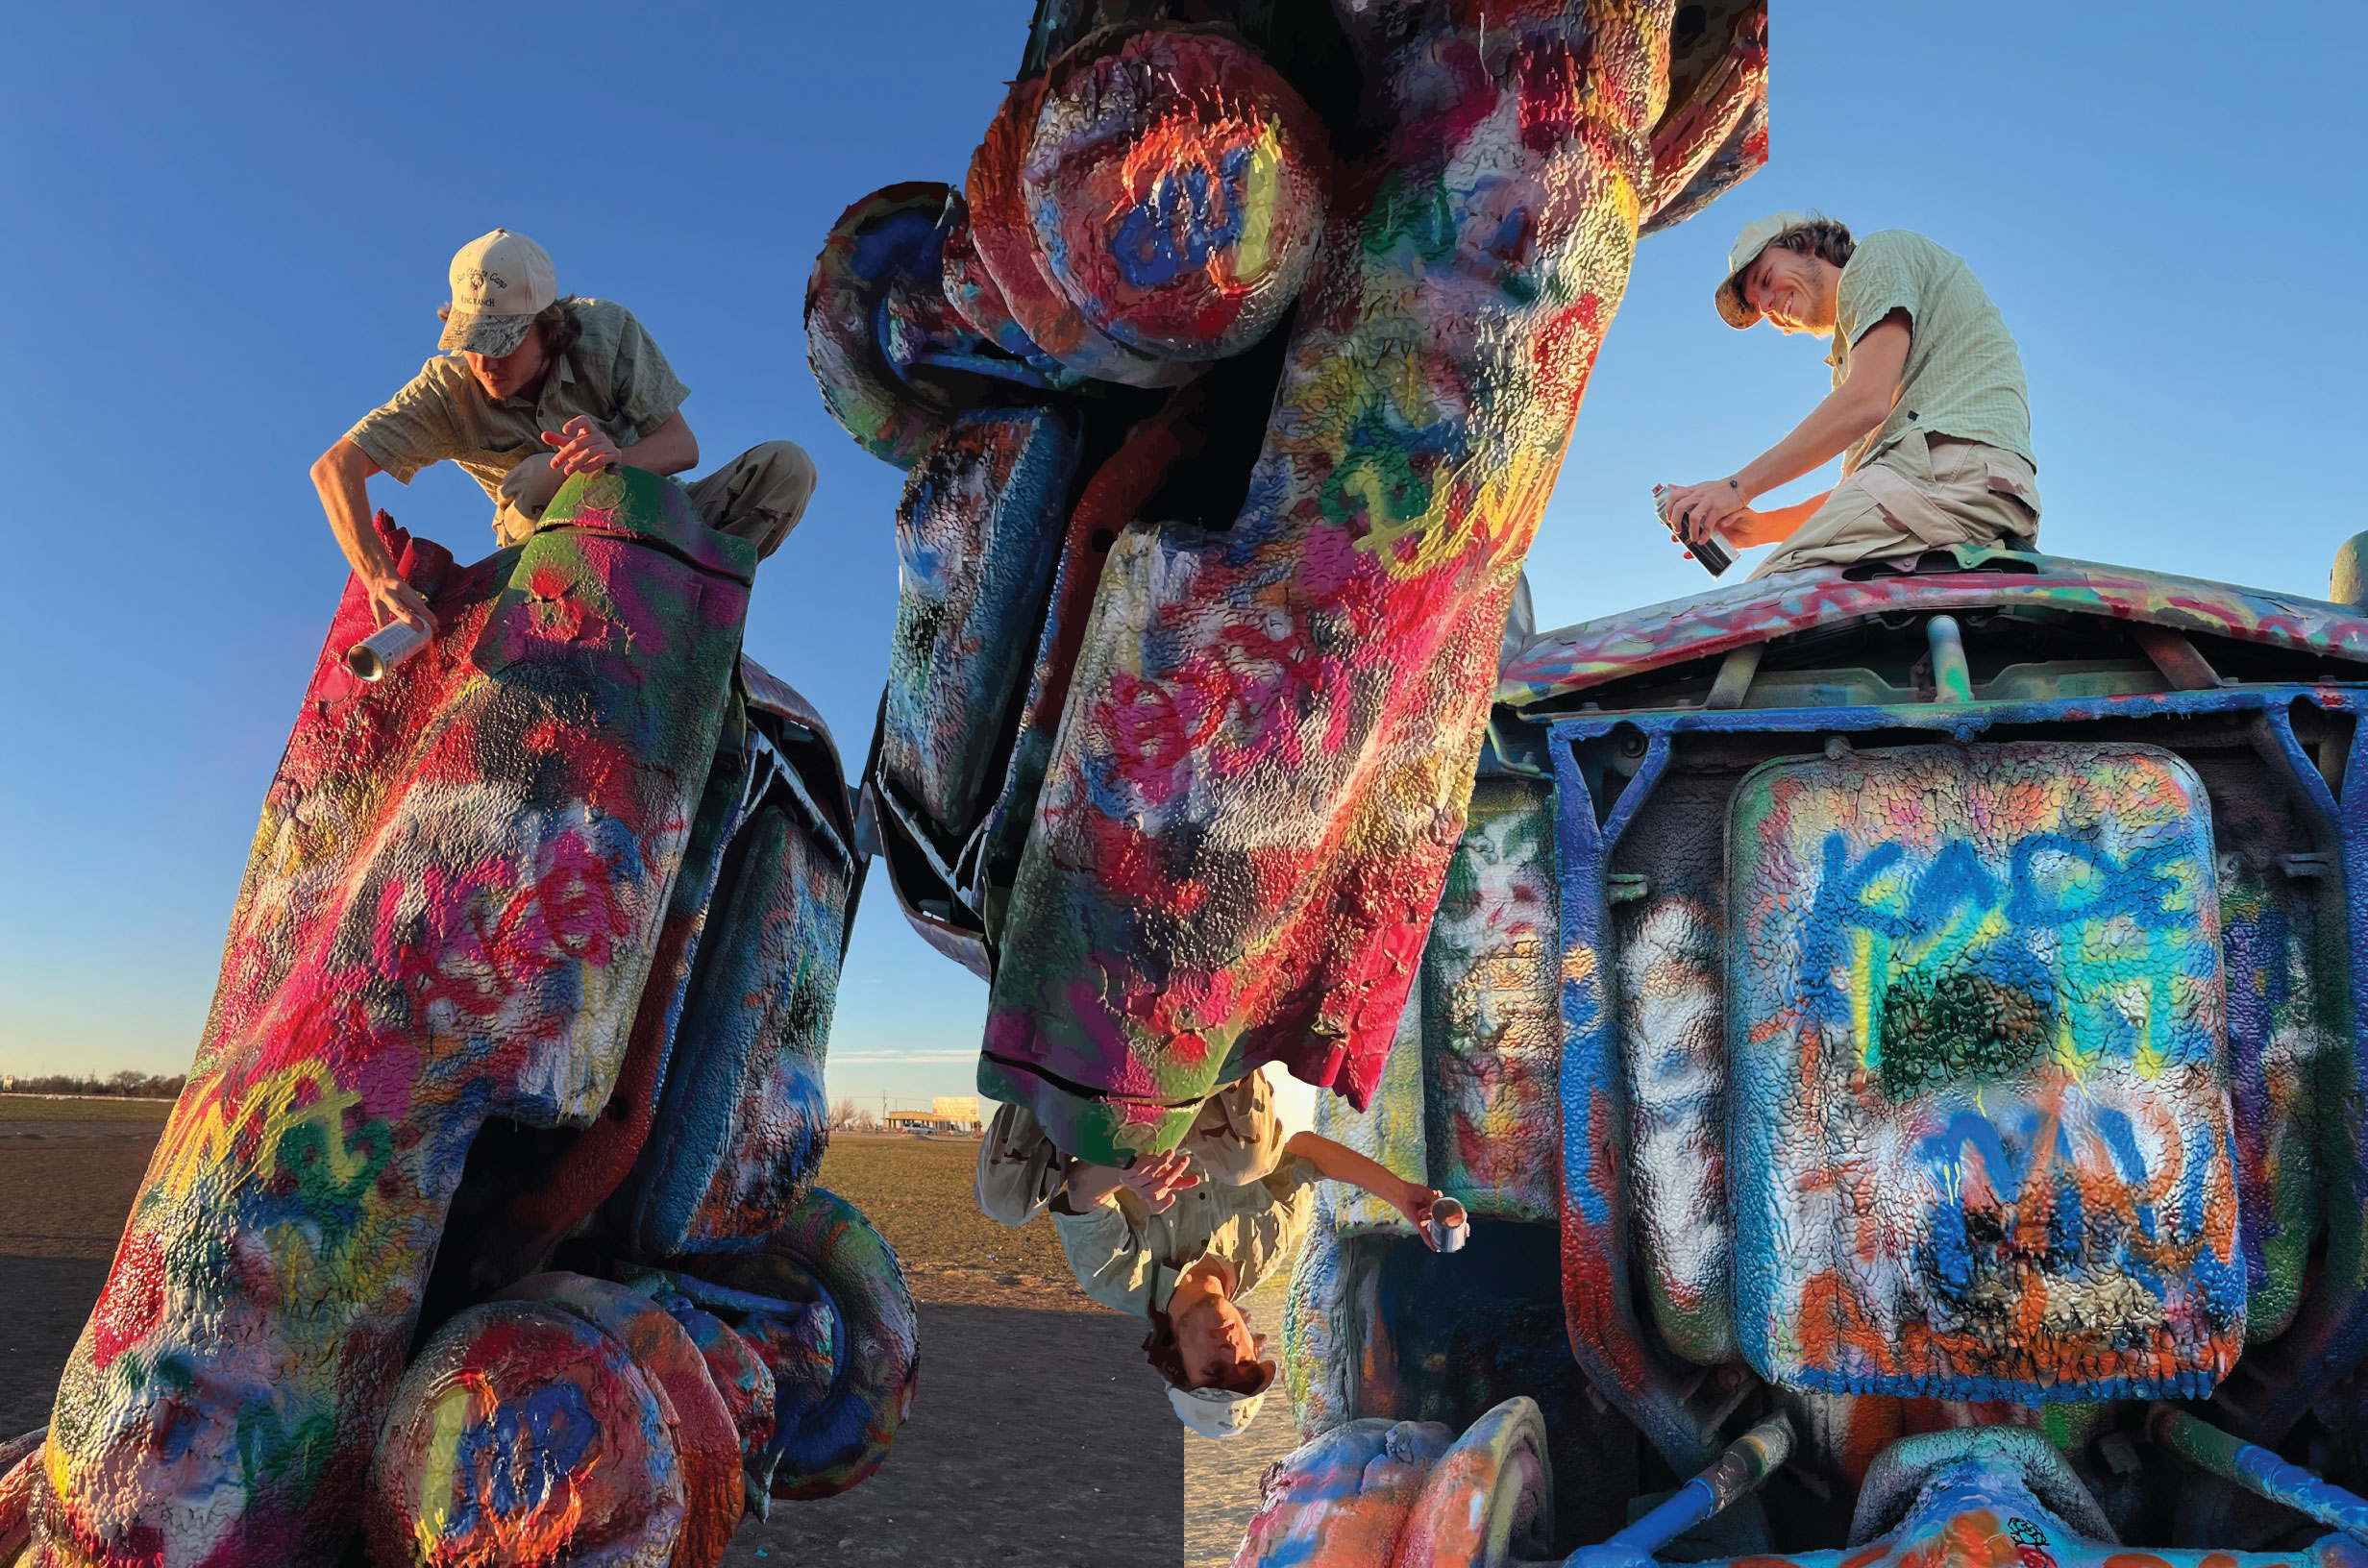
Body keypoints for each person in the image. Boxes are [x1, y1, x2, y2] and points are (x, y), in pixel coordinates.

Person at [311, 229, 819, 635]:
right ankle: (555, 626)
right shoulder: (448, 390)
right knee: (537, 479)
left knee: (787, 467)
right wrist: (378, 575)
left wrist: (616, 458)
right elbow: (335, 467)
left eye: (503, 342)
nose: (485, 362)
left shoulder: (608, 332)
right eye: (470, 341)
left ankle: (690, 607)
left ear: (547, 326)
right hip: (538, 565)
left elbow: (682, 448)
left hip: (651, 528)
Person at [976, 1067, 1445, 1438]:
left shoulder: (1119, 1280)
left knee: (1004, 1201)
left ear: (1175, 1358)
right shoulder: (1265, 1246)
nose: (1230, 1350)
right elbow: (1307, 1155)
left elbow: (1076, 1195)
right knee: (1248, 1163)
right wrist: (1400, 1193)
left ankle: (1035, 1059)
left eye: (1214, 1369)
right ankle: (1225, 1032)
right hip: (1206, 1074)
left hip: (1109, 1109)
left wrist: (1126, 1172)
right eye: (1243, 1362)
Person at [1659, 212, 2040, 579]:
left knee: (1772, 599)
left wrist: (1736, 488)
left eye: (1765, 278)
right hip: (1957, 489)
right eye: (1761, 309)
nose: (1769, 306)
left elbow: (1866, 402)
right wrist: (1759, 529)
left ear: (1807, 247)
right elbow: (1857, 494)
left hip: (1953, 478)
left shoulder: (1878, 256)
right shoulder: (1853, 368)